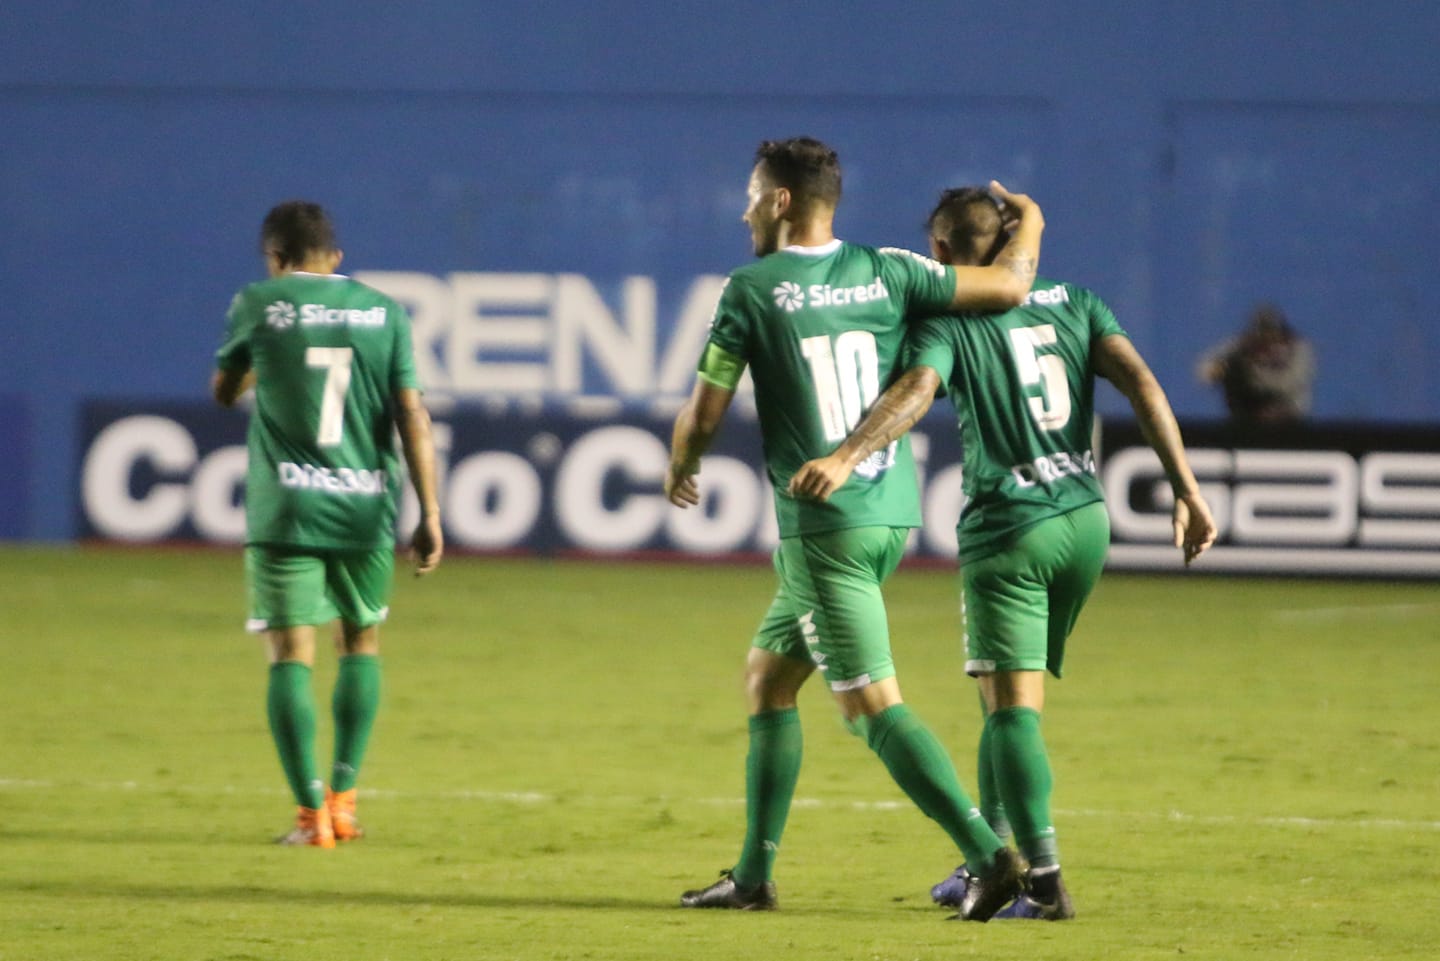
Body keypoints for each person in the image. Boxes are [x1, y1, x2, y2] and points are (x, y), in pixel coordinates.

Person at [788, 186, 1216, 919]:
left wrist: (850, 452)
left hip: (1009, 528)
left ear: (946, 254)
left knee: (1014, 708)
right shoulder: (1078, 302)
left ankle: (1043, 881)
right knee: (997, 697)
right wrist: (1187, 489)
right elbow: (1141, 381)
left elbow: (917, 390)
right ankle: (980, 853)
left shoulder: (947, 323)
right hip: (1084, 520)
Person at [666, 139, 1045, 922]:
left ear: (779, 202)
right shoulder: (892, 269)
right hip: (886, 515)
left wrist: (682, 463)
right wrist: (1031, 221)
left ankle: (989, 857)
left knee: (872, 705)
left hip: (821, 524)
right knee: (768, 680)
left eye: (750, 195)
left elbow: (704, 410)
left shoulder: (750, 288)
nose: (743, 209)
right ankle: (752, 874)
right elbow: (1011, 286)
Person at [212, 200, 443, 848]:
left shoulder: (262, 301)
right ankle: (344, 797)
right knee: (360, 643)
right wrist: (430, 510)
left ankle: (310, 815)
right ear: (335, 258)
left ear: (276, 258)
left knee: (291, 654)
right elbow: (412, 415)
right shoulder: (384, 310)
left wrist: (266, 361)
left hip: (286, 506)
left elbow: (226, 390)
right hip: (366, 504)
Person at [1196, 302, 1315, 425]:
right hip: (1248, 418)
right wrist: (1223, 369)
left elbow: (1288, 384)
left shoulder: (1297, 349)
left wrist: (1252, 374)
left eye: (1271, 330)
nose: (1267, 336)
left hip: (1287, 418)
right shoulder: (1243, 346)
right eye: (1262, 330)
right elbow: (1207, 369)